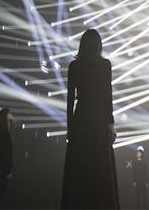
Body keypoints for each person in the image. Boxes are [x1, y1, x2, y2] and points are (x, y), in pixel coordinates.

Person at [61, 28, 120, 209]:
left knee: (79, 165)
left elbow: (70, 99)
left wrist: (70, 126)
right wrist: (110, 124)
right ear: (98, 45)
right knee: (100, 165)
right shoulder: (105, 65)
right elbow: (107, 96)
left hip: (81, 116)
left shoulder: (74, 66)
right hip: (99, 117)